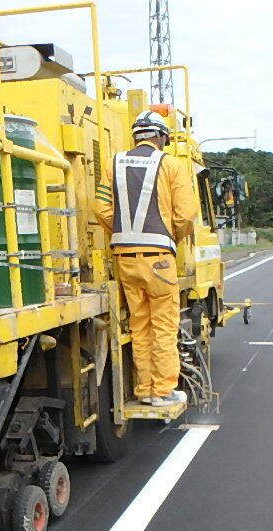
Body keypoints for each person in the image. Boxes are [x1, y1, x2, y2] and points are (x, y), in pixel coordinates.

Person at [93, 110, 199, 407]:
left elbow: (100, 208)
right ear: (162, 136)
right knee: (163, 326)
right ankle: (163, 391)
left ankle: (144, 390)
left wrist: (122, 233)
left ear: (136, 136)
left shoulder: (113, 162)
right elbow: (186, 213)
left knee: (140, 326)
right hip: (159, 259)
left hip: (124, 258)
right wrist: (171, 237)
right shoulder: (171, 164)